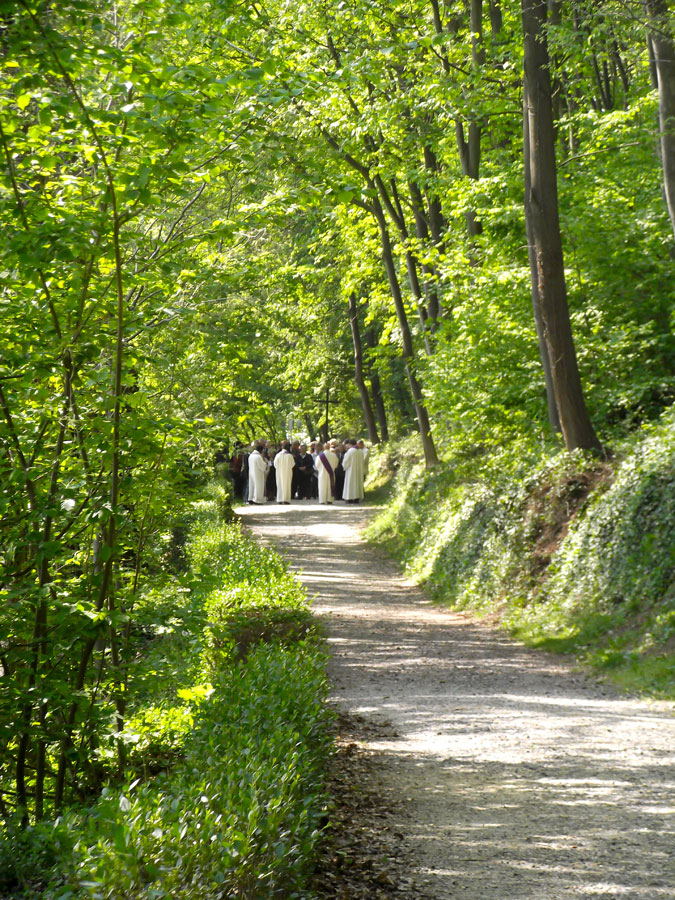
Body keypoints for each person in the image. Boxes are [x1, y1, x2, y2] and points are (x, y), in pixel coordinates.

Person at [341, 438, 365, 503]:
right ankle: (357, 498)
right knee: (357, 483)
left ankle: (350, 498)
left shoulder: (350, 451)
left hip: (351, 470)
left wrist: (344, 467)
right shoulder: (360, 451)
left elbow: (346, 461)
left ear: (350, 444)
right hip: (358, 470)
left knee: (350, 483)